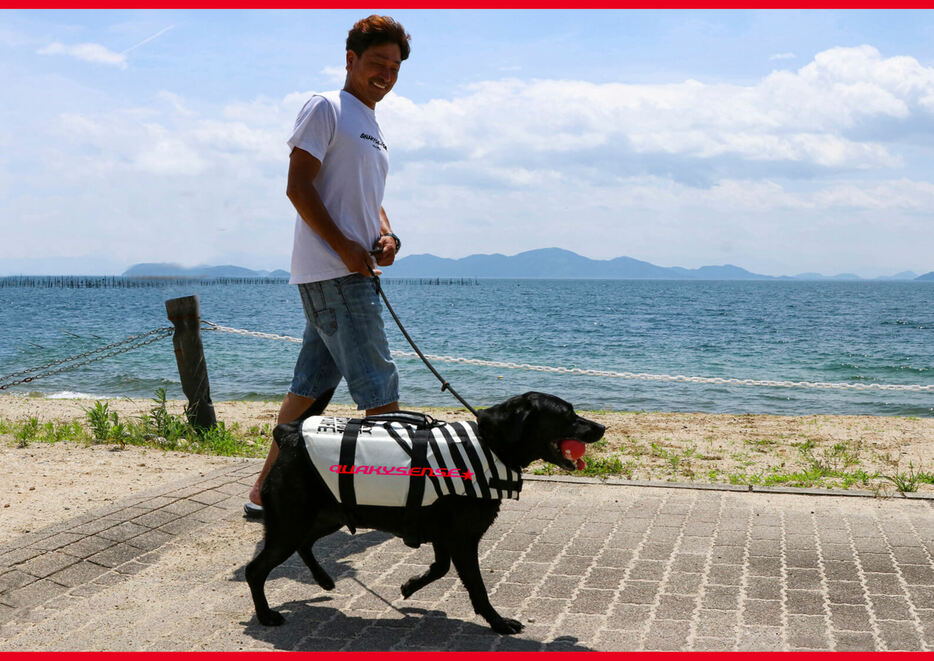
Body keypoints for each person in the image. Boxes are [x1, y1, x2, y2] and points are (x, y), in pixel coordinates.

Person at [246, 15, 411, 516]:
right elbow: (298, 187)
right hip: (335, 272)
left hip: (350, 271)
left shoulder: (373, 125)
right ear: (350, 60)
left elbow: (369, 199)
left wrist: (387, 235)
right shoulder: (327, 107)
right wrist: (343, 248)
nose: (386, 73)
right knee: (380, 388)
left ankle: (264, 493)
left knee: (308, 389)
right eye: (378, 62)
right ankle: (391, 498)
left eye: (395, 66)